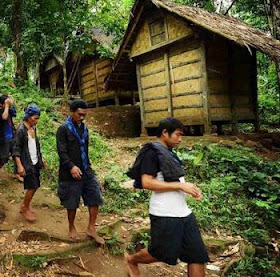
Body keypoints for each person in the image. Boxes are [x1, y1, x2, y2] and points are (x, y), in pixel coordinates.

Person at [124, 118, 209, 277]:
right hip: (165, 214)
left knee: (197, 255)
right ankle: (132, 260)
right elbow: (147, 182)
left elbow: (172, 180)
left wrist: (190, 188)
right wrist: (180, 186)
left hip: (184, 213)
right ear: (165, 133)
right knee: (160, 253)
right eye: (177, 134)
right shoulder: (151, 152)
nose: (180, 139)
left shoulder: (168, 153)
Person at [56, 99, 104, 245]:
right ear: (72, 112)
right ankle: (71, 227)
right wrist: (71, 166)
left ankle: (91, 228)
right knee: (72, 202)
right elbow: (61, 151)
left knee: (95, 196)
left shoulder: (84, 128)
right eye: (79, 114)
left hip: (86, 169)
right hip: (69, 172)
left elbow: (86, 150)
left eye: (84, 115)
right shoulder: (63, 129)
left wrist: (88, 167)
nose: (82, 117)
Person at [14, 105, 46, 222]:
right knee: (32, 186)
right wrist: (19, 165)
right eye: (35, 118)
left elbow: (36, 146)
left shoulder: (33, 129)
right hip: (27, 163)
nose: (37, 121)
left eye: (38, 118)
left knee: (35, 185)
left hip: (35, 161)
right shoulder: (21, 130)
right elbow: (16, 149)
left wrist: (41, 158)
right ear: (28, 117)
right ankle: (25, 207)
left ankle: (25, 205)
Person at [0, 95, 21, 181]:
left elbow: (14, 113)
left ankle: (16, 173)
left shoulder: (9, 110)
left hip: (12, 137)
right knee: (4, 158)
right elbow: (4, 117)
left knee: (16, 154)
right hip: (4, 139)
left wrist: (10, 104)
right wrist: (6, 106)